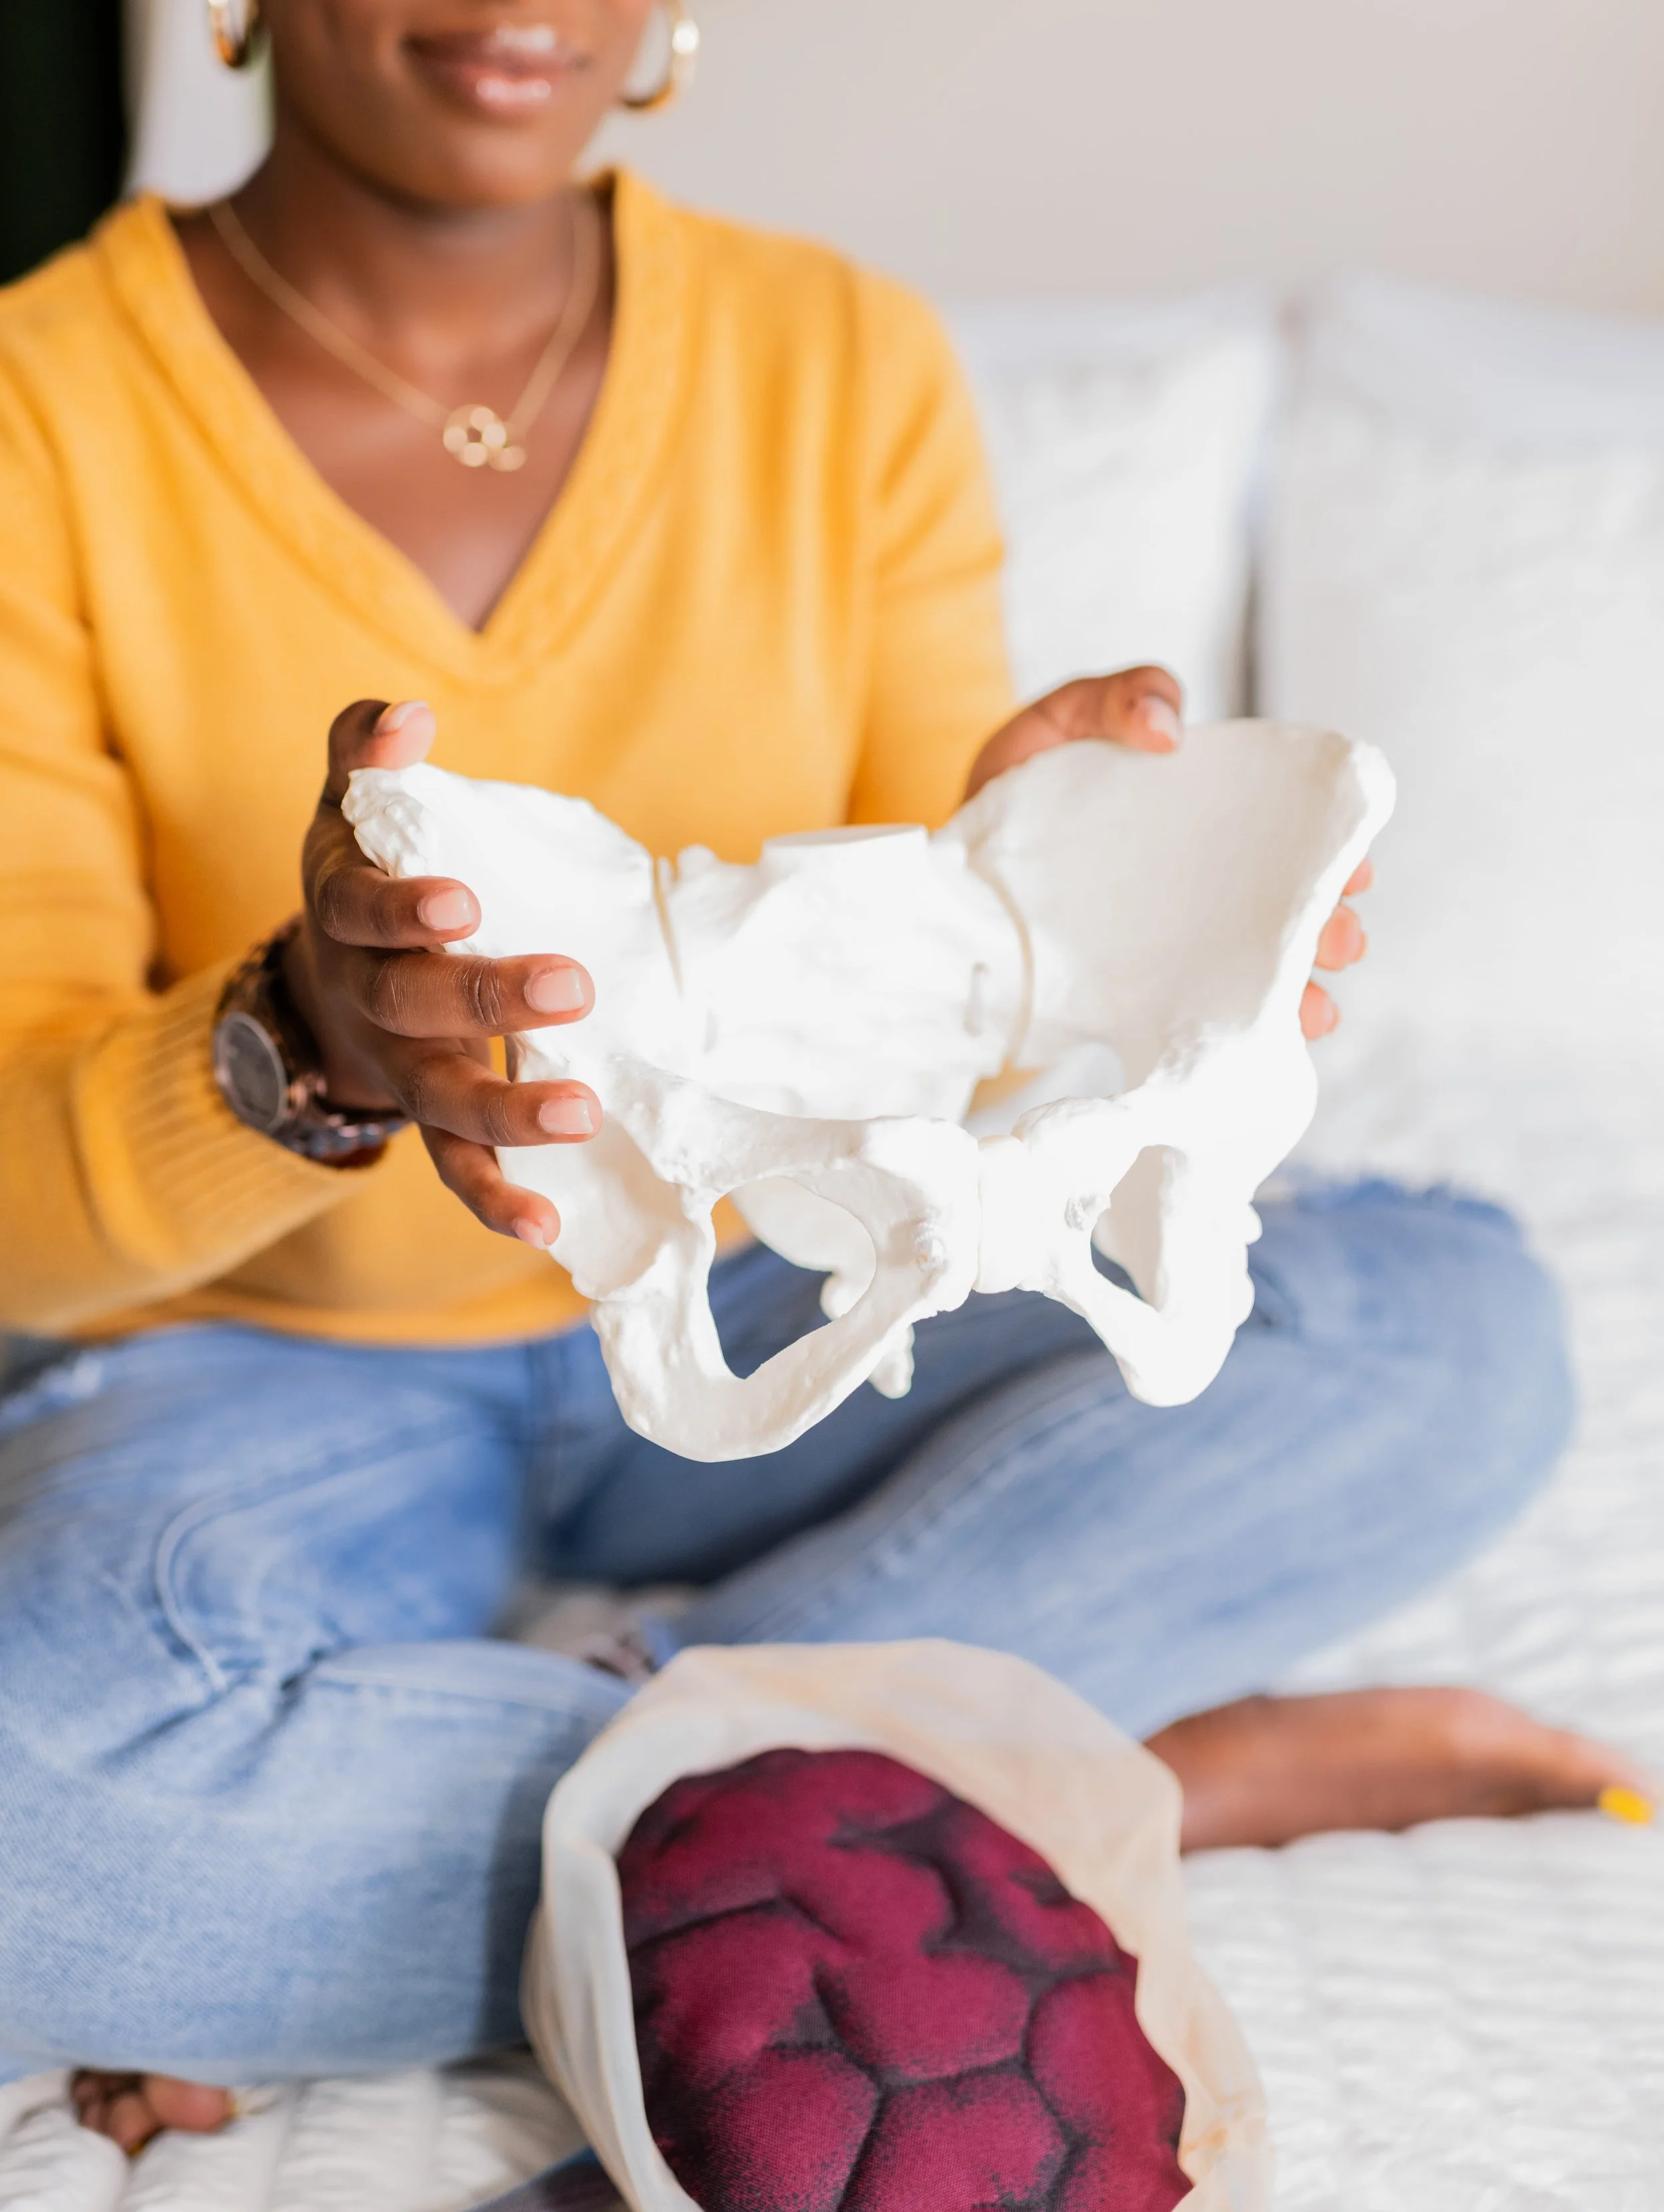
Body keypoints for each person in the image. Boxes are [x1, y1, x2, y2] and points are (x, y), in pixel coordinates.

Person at [0, 0, 1639, 2156]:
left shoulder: (835, 357)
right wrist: (305, 1036)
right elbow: (23, 1221)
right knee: (38, 1814)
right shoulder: (37, 406)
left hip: (790, 1260)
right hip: (269, 1362)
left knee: (1448, 1330)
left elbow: (929, 1013)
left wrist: (1069, 921)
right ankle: (1079, 1771)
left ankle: (512, 1849)